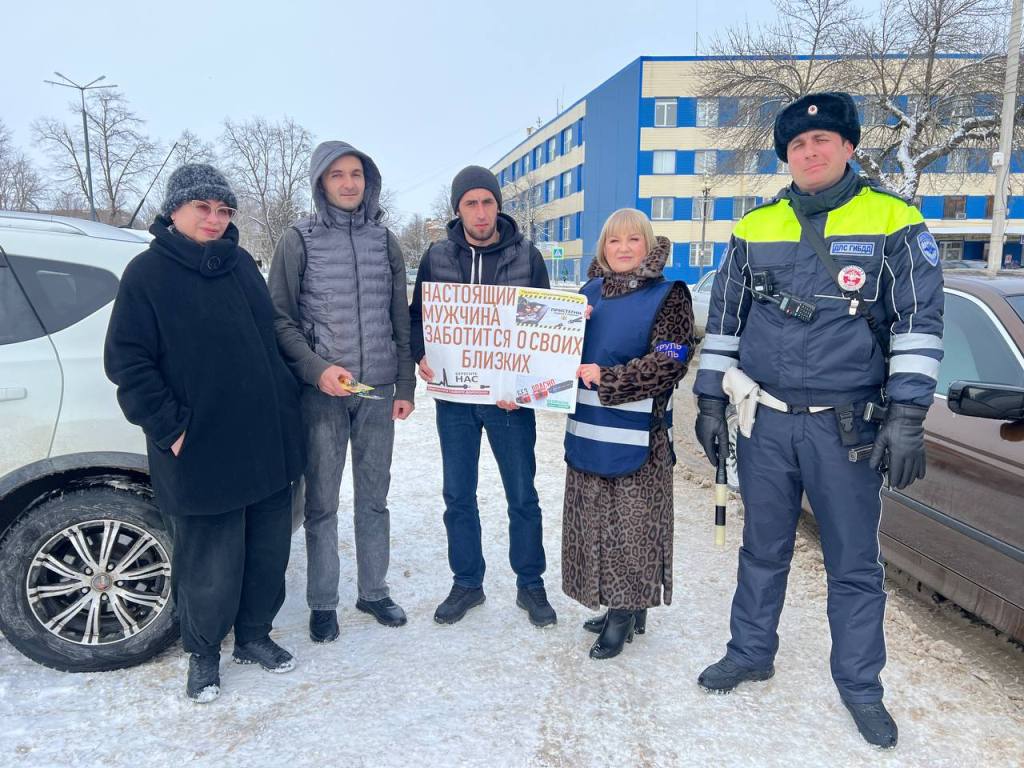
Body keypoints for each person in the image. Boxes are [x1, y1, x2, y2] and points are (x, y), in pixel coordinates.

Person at [693, 92, 944, 748]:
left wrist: (909, 415)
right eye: (798, 146)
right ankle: (751, 651)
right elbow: (724, 322)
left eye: (822, 141)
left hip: (847, 427)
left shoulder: (895, 219)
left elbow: (920, 324)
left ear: (848, 147)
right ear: (787, 155)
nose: (810, 152)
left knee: (854, 564)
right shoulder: (754, 228)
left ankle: (861, 685)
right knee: (761, 549)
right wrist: (712, 400)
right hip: (767, 424)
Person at [104, 164, 305, 703]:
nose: (215, 220)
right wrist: (171, 428)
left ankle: (255, 636)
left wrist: (288, 406)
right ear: (175, 211)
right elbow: (128, 363)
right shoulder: (147, 275)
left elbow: (268, 342)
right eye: (203, 209)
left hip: (264, 440)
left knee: (267, 551)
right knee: (210, 562)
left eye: (223, 210)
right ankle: (205, 652)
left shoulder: (240, 265)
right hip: (199, 446)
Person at [269, 141, 415, 643]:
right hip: (322, 395)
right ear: (320, 183)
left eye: (356, 173)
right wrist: (315, 370)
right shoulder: (298, 240)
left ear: (368, 180)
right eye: (337, 175)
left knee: (374, 499)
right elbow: (280, 320)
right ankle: (322, 602)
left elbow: (400, 318)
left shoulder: (384, 241)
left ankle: (373, 592)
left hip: (376, 390)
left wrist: (405, 384)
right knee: (322, 504)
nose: (348, 183)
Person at [409, 166, 556, 627]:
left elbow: (545, 325)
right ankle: (467, 582)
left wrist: (529, 382)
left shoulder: (527, 256)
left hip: (509, 401)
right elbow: (418, 318)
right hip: (454, 399)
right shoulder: (436, 256)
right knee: (458, 494)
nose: (479, 211)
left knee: (522, 495)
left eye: (487, 202)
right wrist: (420, 354)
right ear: (458, 209)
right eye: (470, 203)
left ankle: (530, 584)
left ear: (498, 206)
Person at [562, 209, 695, 660]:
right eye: (613, 240)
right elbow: (555, 355)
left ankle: (625, 612)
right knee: (594, 523)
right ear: (602, 247)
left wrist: (610, 378)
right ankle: (620, 603)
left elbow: (671, 360)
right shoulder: (587, 294)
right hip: (588, 433)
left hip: (642, 437)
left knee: (632, 528)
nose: (622, 248)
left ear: (648, 245)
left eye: (632, 240)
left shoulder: (669, 296)